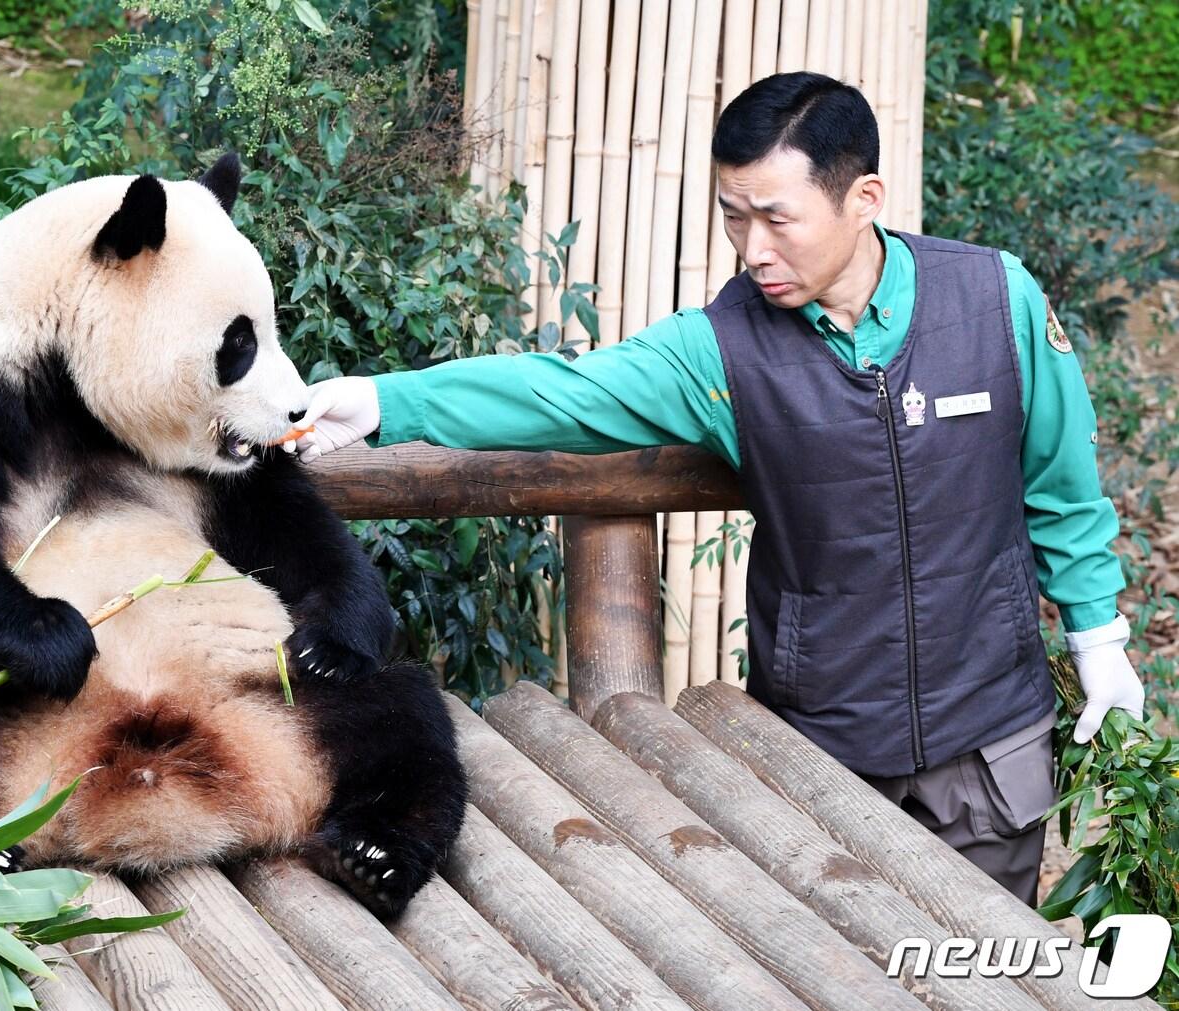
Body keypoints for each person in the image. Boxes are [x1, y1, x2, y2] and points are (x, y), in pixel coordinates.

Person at [288, 72, 1144, 907]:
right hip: (821, 751)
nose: (753, 249)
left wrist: (1097, 637)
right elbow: (566, 391)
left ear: (864, 197)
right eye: (735, 218)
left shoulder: (997, 298)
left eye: (777, 218)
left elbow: (1060, 484)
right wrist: (384, 401)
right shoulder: (721, 350)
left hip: (992, 739)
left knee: (984, 973)